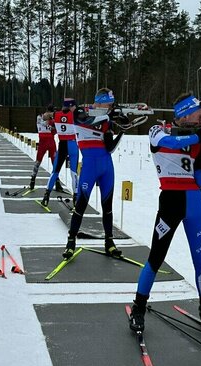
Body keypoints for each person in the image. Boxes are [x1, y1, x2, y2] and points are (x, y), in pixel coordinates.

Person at [128, 93, 201, 333]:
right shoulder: (158, 129)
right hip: (171, 202)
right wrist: (198, 136)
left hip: (195, 202)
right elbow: (169, 143)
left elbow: (200, 179)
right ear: (185, 114)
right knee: (156, 257)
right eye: (199, 114)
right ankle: (139, 308)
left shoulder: (197, 141)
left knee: (200, 260)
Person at [61, 88, 124, 259]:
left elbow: (109, 147)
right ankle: (71, 242)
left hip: (106, 166)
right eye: (108, 104)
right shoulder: (82, 110)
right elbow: (85, 121)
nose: (110, 107)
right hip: (89, 166)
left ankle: (109, 242)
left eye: (111, 105)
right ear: (99, 102)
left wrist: (123, 130)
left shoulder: (107, 119)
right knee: (81, 205)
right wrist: (108, 117)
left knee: (108, 207)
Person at [41, 98, 80, 205]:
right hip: (72, 144)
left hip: (62, 144)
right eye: (74, 106)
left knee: (55, 171)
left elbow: (45, 117)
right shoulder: (74, 114)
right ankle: (76, 197)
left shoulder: (56, 114)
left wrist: (50, 116)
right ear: (71, 106)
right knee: (74, 173)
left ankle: (46, 195)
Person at [30, 106, 57, 189]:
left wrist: (53, 125)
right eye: (52, 113)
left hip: (50, 141)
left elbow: (55, 131)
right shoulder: (40, 117)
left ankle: (57, 182)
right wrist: (51, 122)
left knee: (55, 162)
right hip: (44, 141)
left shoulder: (51, 120)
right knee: (38, 160)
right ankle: (32, 180)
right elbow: (43, 123)